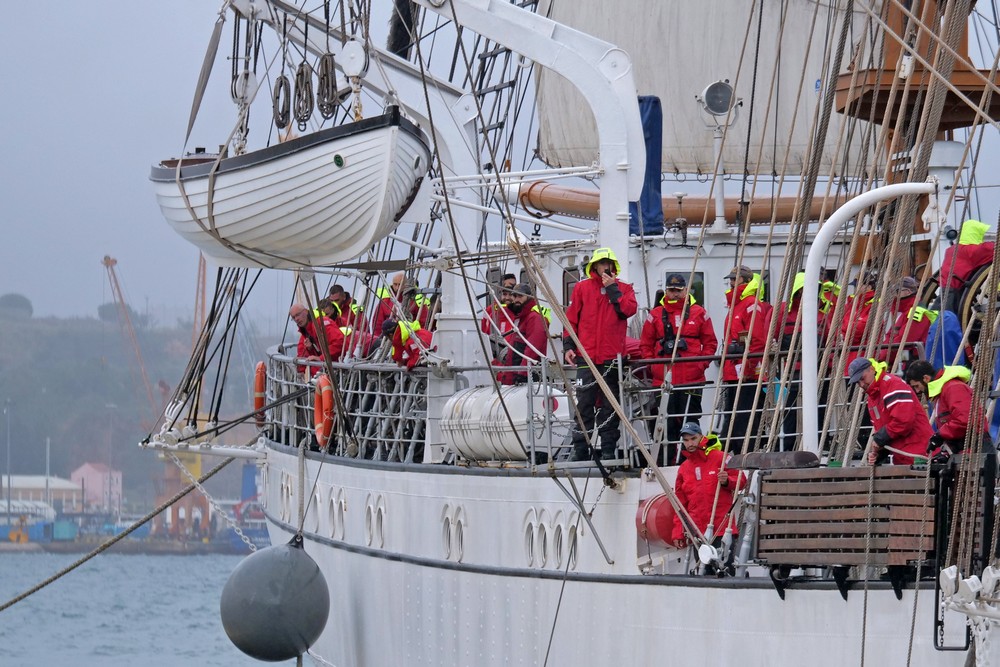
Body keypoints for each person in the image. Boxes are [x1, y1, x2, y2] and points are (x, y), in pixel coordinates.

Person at [563, 247, 638, 461]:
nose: (605, 266)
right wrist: (568, 346)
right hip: (586, 357)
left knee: (610, 405)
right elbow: (571, 320)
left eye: (608, 262)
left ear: (613, 265)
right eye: (601, 262)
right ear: (594, 266)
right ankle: (581, 449)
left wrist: (613, 289)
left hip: (611, 358)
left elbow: (628, 310)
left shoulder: (624, 288)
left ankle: (607, 449)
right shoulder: (582, 289)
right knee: (583, 403)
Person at [638, 273, 718, 464]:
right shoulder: (655, 315)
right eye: (671, 290)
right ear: (666, 290)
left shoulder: (699, 313)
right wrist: (653, 366)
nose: (674, 294)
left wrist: (701, 364)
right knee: (666, 424)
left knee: (691, 421)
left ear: (685, 291)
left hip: (692, 379)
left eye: (678, 290)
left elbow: (710, 343)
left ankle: (692, 460)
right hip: (664, 381)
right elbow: (645, 345)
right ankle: (667, 461)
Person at [670, 422, 742, 560]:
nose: (690, 443)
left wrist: (727, 481)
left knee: (724, 573)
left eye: (693, 438)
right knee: (703, 574)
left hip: (722, 530)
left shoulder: (720, 457)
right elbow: (680, 505)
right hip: (698, 533)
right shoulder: (684, 469)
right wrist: (678, 532)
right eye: (686, 440)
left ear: (701, 437)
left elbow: (741, 480)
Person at [720, 265, 771, 453]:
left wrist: (748, 367)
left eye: (735, 279)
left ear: (745, 280)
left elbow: (757, 340)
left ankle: (744, 452)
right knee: (732, 414)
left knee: (744, 415)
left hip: (746, 372)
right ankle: (731, 450)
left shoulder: (750, 304)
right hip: (734, 371)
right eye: (731, 279)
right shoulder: (736, 305)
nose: (731, 282)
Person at [846, 357, 934, 465]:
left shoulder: (893, 385)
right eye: (857, 382)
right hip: (906, 458)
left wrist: (879, 439)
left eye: (862, 378)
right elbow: (887, 431)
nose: (861, 384)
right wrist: (878, 453)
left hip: (919, 456)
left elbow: (903, 421)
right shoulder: (873, 398)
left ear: (872, 369)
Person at [777, 272, 828, 451]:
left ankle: (820, 443)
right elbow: (771, 337)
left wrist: (827, 369)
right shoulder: (783, 313)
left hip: (817, 372)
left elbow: (829, 341)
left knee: (818, 408)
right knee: (790, 409)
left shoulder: (821, 315)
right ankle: (786, 444)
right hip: (792, 371)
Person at [905, 360, 991, 456]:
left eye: (917, 386)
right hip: (963, 450)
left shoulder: (953, 388)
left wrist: (940, 435)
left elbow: (966, 419)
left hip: (975, 451)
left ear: (926, 378)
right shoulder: (943, 392)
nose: (917, 391)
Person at [496, 283, 549, 385]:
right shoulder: (521, 317)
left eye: (520, 296)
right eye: (515, 296)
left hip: (528, 376)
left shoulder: (534, 317)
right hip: (517, 374)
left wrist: (523, 373)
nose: (516, 300)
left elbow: (533, 347)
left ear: (529, 297)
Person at [939, 219, 995, 313]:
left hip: (945, 294)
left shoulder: (951, 250)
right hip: (955, 297)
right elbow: (994, 249)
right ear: (974, 234)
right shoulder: (971, 251)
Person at [879, 276, 935, 367]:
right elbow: (890, 337)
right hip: (900, 362)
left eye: (897, 291)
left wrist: (881, 358)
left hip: (913, 364)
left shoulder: (917, 312)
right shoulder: (902, 313)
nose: (894, 295)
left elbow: (904, 341)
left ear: (908, 292)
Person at [289, 304, 345, 376]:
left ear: (306, 311)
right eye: (293, 317)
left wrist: (321, 358)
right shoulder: (306, 330)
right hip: (335, 365)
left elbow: (339, 343)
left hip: (346, 360)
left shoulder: (321, 323)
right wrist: (311, 349)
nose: (296, 319)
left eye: (298, 315)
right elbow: (303, 352)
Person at [839, 270, 877, 367]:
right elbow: (839, 324)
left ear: (869, 287)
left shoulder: (875, 304)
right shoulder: (852, 303)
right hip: (848, 356)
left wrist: (843, 335)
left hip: (864, 357)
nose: (855, 289)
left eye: (858, 286)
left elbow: (859, 330)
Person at [480, 273, 517, 359]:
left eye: (510, 294)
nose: (507, 297)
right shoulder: (490, 310)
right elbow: (483, 330)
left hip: (511, 352)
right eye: (505, 294)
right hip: (492, 351)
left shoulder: (518, 311)